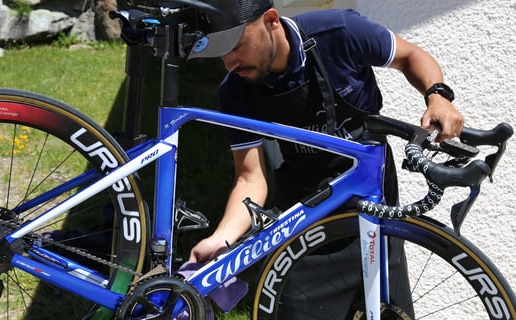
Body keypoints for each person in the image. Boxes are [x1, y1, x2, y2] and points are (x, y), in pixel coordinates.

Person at [186, 0, 464, 317]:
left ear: (271, 20)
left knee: (385, 309)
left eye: (235, 45)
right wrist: (221, 239)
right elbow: (250, 178)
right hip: (305, 202)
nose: (229, 62)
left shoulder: (340, 32)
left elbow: (410, 56)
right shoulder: (235, 90)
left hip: (370, 193)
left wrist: (438, 96)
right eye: (221, 53)